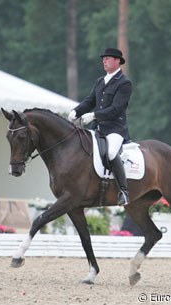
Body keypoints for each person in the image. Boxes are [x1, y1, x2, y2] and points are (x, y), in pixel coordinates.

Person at [68, 48, 132, 206]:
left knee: (110, 152)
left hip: (115, 129)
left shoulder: (124, 83)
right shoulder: (99, 81)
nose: (104, 61)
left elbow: (117, 108)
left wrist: (94, 115)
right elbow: (90, 101)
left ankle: (123, 190)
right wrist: (76, 111)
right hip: (98, 129)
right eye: (103, 59)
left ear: (117, 61)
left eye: (108, 58)